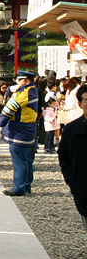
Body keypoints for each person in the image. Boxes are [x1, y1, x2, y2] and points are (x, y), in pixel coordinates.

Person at [0, 70, 39, 197]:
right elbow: (10, 91)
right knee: (26, 159)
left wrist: (1, 124)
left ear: (27, 81)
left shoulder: (24, 93)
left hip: (19, 131)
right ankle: (26, 185)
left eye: (19, 80)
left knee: (19, 159)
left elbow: (9, 109)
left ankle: (19, 187)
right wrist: (11, 88)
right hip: (28, 129)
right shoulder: (32, 90)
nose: (17, 82)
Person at [58, 84, 87, 231]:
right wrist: (71, 180)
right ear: (80, 104)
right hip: (83, 186)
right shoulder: (71, 130)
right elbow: (63, 156)